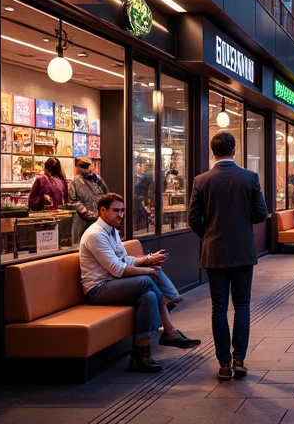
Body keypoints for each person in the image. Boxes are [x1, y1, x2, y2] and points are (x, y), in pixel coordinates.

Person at [80, 194, 200, 373]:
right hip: (98, 289)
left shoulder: (111, 231)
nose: (120, 215)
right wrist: (148, 270)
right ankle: (170, 325)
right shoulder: (96, 234)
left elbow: (124, 259)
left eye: (122, 211)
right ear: (102, 211)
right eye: (116, 211)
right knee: (147, 279)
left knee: (149, 295)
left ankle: (140, 356)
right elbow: (117, 269)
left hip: (114, 284)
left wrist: (148, 259)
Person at [187, 131, 269, 381]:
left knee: (218, 307)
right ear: (234, 150)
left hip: (214, 253)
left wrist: (209, 233)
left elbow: (192, 219)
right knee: (242, 304)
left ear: (213, 152)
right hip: (243, 251)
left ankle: (223, 363)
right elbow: (260, 214)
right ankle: (239, 358)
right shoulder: (249, 177)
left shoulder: (201, 180)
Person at [68, 155, 109, 245]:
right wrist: (89, 214)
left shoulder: (98, 180)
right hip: (83, 222)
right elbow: (73, 202)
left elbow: (108, 198)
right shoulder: (75, 182)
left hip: (98, 222)